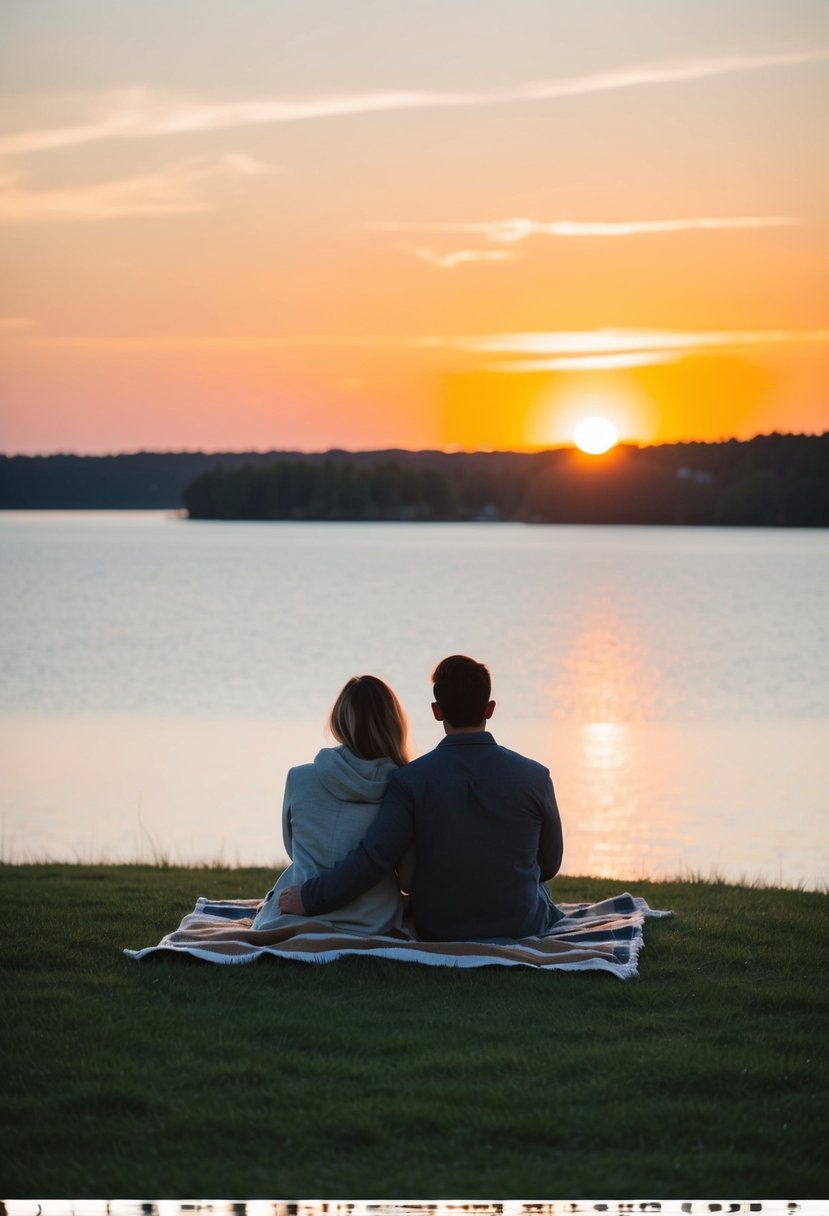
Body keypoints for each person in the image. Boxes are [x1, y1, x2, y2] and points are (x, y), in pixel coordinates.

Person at [279, 655, 564, 941]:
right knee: (538, 887)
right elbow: (549, 864)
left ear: (437, 711)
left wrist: (309, 897)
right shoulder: (535, 777)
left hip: (439, 927)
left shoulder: (410, 781)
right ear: (489, 709)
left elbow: (375, 856)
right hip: (519, 924)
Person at [252, 674, 413, 936]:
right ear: (393, 724)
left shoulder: (299, 777)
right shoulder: (403, 788)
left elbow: (293, 849)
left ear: (339, 720)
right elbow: (407, 878)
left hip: (295, 914)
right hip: (373, 921)